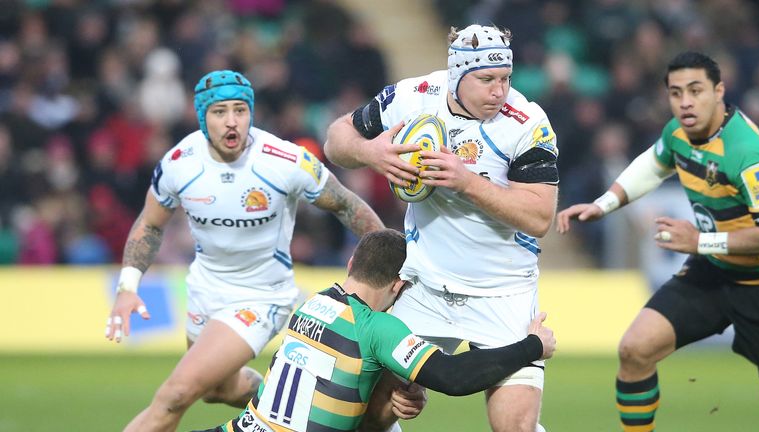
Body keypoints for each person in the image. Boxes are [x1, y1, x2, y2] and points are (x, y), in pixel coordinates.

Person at [103, 70, 386, 432]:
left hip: (260, 297)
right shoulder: (178, 163)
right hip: (204, 290)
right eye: (220, 112)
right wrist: (128, 287)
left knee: (175, 396)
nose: (232, 121)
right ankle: (310, 404)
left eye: (240, 110)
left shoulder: (284, 160)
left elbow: (349, 206)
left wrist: (390, 268)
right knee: (219, 389)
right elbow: (150, 224)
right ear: (202, 116)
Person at [324, 24, 559, 432]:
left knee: (513, 428)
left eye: (505, 79)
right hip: (424, 287)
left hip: (504, 293)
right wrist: (371, 152)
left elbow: (540, 218)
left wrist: (466, 181)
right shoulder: (412, 97)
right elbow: (335, 140)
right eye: (486, 80)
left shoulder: (527, 122)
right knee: (369, 417)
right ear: (456, 75)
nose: (499, 92)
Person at [556, 51, 759, 432]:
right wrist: (603, 204)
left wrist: (702, 241)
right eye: (675, 92)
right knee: (635, 349)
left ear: (719, 91)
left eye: (695, 90)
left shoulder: (749, 155)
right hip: (712, 274)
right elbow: (653, 165)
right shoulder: (678, 133)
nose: (685, 102)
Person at [195, 229, 556, 432]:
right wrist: (531, 346)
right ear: (399, 286)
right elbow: (454, 377)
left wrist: (402, 396)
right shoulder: (378, 328)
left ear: (352, 263)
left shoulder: (314, 303)